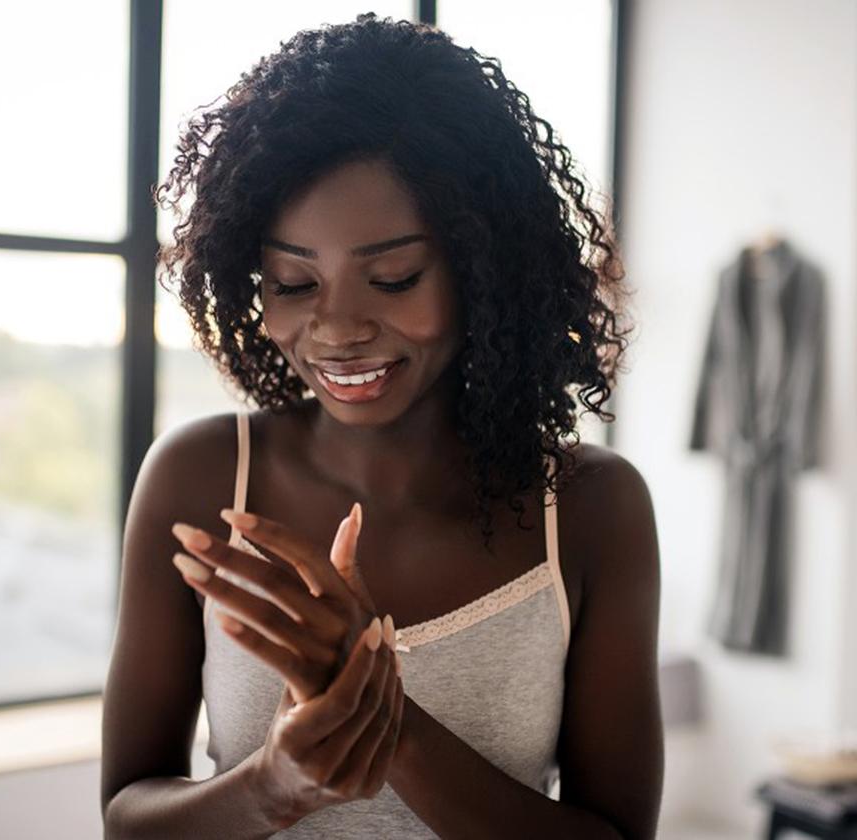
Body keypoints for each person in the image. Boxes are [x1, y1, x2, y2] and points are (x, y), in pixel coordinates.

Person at [101, 13, 662, 838]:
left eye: (393, 277)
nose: (336, 328)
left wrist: (378, 716)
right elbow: (127, 821)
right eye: (293, 283)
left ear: (485, 268)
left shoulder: (587, 507)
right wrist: (272, 787)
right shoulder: (201, 478)